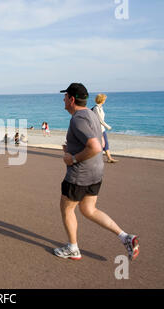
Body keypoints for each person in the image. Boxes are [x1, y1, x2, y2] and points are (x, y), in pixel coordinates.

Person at [54, 83, 139, 261]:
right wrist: (71, 148)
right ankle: (125, 237)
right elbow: (96, 142)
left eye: (65, 96)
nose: (63, 100)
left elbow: (94, 146)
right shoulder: (91, 115)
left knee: (67, 208)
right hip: (96, 172)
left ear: (71, 99)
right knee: (88, 209)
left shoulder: (77, 118)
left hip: (80, 174)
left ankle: (73, 248)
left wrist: (73, 158)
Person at [92, 94, 118, 163]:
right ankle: (93, 158)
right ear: (101, 100)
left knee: (105, 143)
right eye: (104, 99)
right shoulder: (96, 108)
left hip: (102, 129)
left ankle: (109, 158)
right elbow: (100, 120)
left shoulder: (101, 107)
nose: (105, 101)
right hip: (98, 129)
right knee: (99, 144)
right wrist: (108, 126)